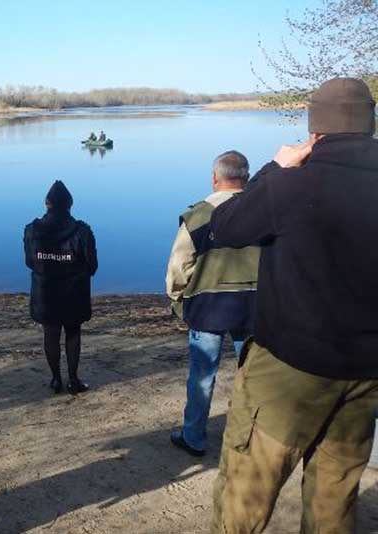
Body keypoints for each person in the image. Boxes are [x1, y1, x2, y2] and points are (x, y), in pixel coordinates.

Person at [209, 78, 378, 533]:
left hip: (288, 371)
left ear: (315, 131)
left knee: (244, 499)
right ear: (370, 123)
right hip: (365, 375)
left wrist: (272, 169)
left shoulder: (292, 184)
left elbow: (225, 227)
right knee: (333, 503)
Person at [166, 150, 259, 457]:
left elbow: (179, 267)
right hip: (254, 307)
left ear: (215, 178)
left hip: (208, 308)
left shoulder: (197, 216)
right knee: (252, 376)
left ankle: (193, 436)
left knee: (203, 375)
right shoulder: (265, 212)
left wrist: (179, 300)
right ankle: (247, 438)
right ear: (246, 177)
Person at [24, 180, 98, 395]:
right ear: (70, 204)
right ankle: (73, 380)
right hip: (74, 293)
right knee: (73, 333)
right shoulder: (82, 231)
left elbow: (30, 261)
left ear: (47, 203)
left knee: (50, 333)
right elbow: (92, 265)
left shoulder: (32, 230)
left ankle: (56, 379)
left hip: (45, 292)